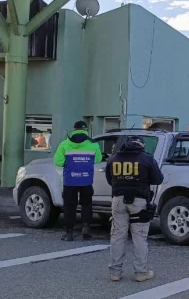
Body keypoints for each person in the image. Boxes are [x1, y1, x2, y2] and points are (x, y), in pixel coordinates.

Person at [106, 136, 164, 282]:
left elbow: (109, 180)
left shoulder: (114, 159)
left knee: (118, 235)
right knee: (139, 236)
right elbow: (158, 179)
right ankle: (140, 272)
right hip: (139, 202)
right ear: (141, 145)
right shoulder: (146, 159)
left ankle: (115, 273)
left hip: (118, 200)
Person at [53, 121, 102, 241]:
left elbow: (58, 162)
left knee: (69, 207)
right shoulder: (93, 144)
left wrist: (71, 163)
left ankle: (69, 233)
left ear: (74, 129)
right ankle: (86, 229)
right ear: (86, 130)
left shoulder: (65, 144)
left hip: (70, 181)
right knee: (86, 205)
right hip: (86, 180)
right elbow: (98, 159)